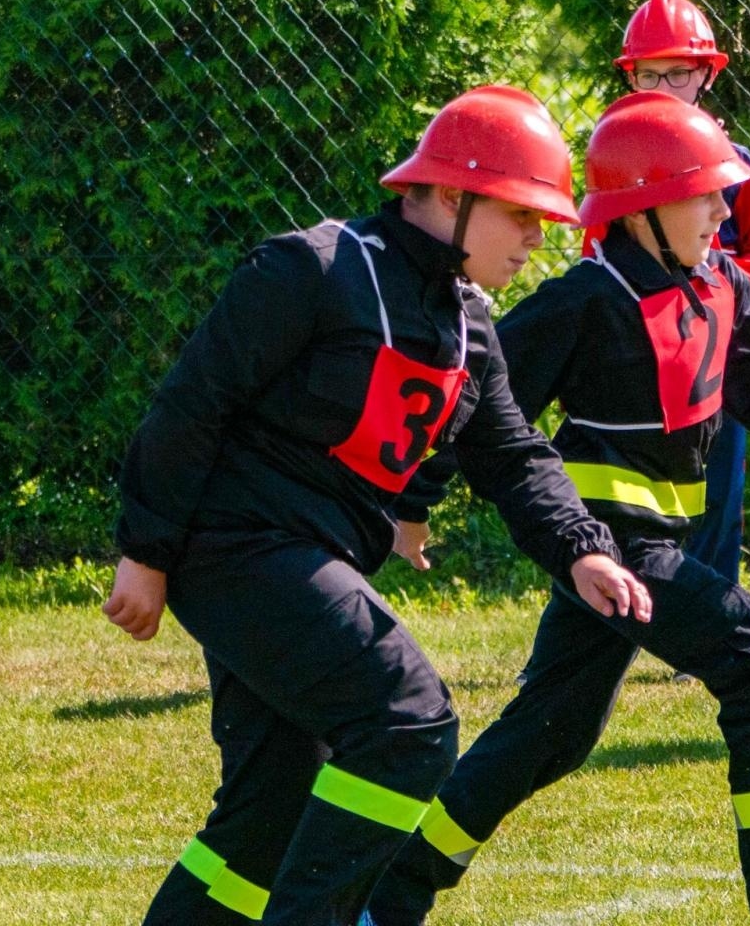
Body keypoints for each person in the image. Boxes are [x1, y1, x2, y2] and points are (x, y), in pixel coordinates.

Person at [102, 85, 653, 926]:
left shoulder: (469, 326)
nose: (538, 239)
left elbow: (512, 456)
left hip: (308, 564)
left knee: (269, 812)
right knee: (409, 724)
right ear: (451, 196)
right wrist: (145, 553)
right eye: (521, 214)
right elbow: (191, 406)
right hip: (237, 549)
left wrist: (581, 546)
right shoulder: (312, 269)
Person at [363, 92, 750, 926]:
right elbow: (474, 404)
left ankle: (387, 897)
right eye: (705, 194)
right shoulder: (584, 299)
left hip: (647, 551)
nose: (723, 211)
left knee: (550, 733)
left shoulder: (721, 283)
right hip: (606, 547)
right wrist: (411, 500)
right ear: (644, 207)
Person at [615, 0, 750, 584]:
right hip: (645, 357)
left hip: (718, 356)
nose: (664, 89)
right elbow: (598, 256)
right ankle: (639, 600)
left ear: (706, 75)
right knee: (639, 489)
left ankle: (715, 604)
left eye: (679, 74)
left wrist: (722, 291)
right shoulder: (617, 160)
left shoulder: (733, 165)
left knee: (717, 489)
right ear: (631, 78)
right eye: (649, 75)